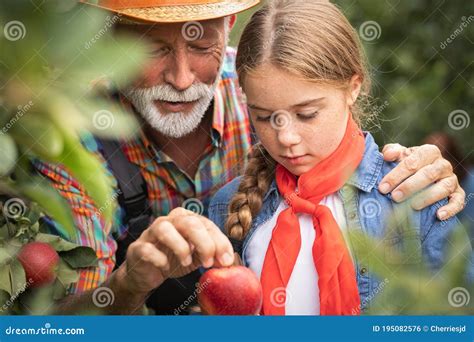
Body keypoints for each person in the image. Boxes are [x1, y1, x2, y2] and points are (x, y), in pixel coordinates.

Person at [34, 0, 466, 315]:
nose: (182, 80)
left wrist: (427, 173)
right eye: (153, 50)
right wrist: (128, 285)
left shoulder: (264, 79)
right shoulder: (70, 143)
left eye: (202, 47)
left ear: (228, 26)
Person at [208, 0, 472, 315]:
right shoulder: (229, 204)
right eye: (264, 117)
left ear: (352, 87)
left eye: (306, 114)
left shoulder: (414, 196)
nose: (286, 138)